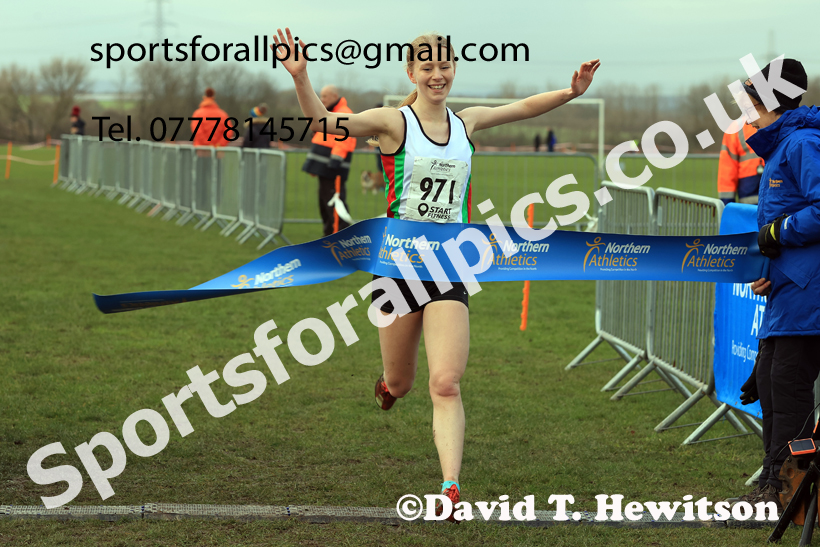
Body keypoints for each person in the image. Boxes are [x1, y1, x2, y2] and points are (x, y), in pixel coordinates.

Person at [273, 27, 599, 519]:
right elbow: (324, 124)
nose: (437, 74)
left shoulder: (467, 124)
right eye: (426, 67)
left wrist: (570, 93)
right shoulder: (393, 123)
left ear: (453, 70)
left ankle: (450, 487)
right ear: (412, 73)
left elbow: (525, 108)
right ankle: (386, 386)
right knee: (402, 384)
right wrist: (301, 78)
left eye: (444, 65)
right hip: (397, 269)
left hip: (450, 269)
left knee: (446, 382)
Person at [730, 58, 820, 513]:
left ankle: (789, 494)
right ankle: (773, 482)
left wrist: (776, 234)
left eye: (749, 95)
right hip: (790, 290)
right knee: (768, 380)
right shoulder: (784, 144)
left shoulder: (802, 143)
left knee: (786, 387)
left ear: (765, 99)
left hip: (811, 295)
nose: (744, 105)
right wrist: (773, 267)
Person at [301, 85, 357, 236]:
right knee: (326, 205)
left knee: (335, 205)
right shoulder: (331, 113)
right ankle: (328, 239)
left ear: (334, 96)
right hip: (324, 168)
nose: (322, 99)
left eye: (325, 96)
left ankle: (341, 240)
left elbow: (344, 139)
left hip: (332, 168)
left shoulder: (343, 113)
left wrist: (335, 160)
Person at [717, 123, 764, 204]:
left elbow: (727, 171)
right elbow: (727, 171)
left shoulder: (735, 128)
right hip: (750, 197)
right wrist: (726, 204)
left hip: (750, 193)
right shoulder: (734, 129)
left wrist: (726, 205)